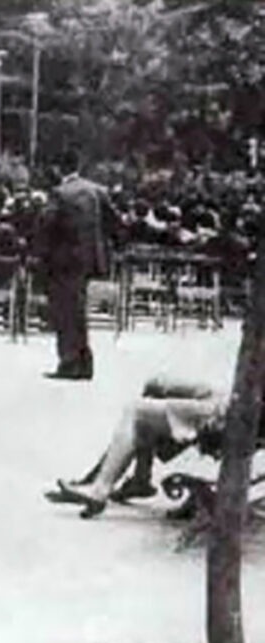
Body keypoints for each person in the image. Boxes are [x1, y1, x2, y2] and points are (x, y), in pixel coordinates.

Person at [45, 375, 227, 518]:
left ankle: (99, 488)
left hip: (225, 410)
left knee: (136, 411)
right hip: (230, 400)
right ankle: (138, 479)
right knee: (155, 383)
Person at [35, 150, 118, 380]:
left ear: (58, 169)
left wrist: (41, 254)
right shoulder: (98, 191)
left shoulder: (59, 193)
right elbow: (115, 223)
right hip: (89, 260)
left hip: (63, 261)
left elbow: (46, 225)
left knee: (65, 312)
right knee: (78, 309)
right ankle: (84, 361)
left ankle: (70, 362)